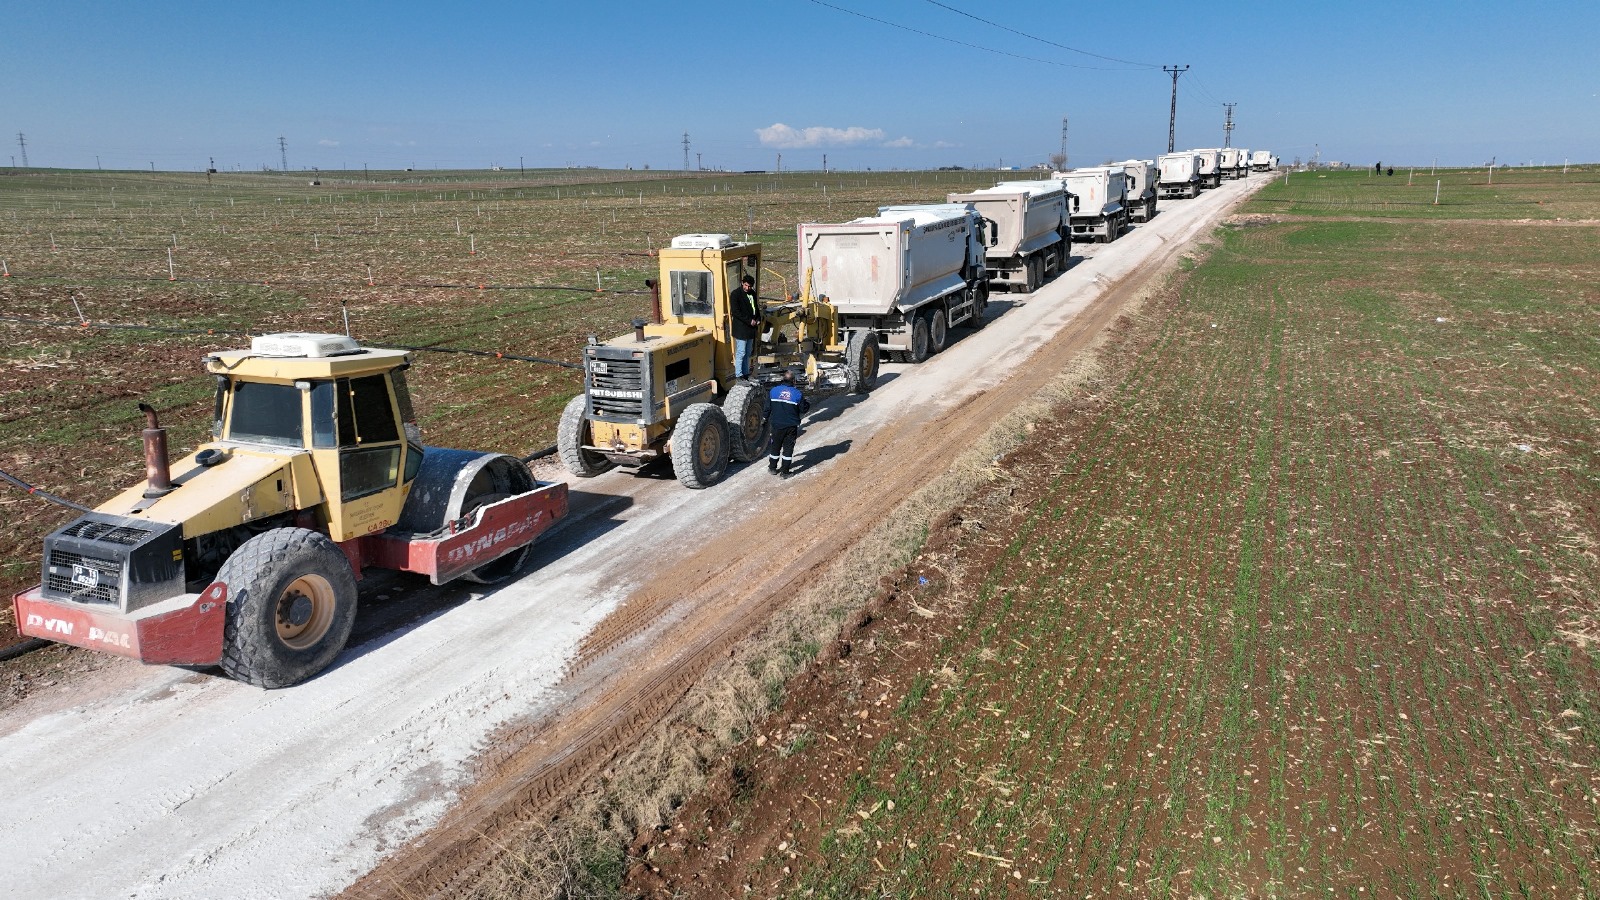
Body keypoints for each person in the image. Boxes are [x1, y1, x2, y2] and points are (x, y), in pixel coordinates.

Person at [766, 368, 810, 478]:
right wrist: (807, 403)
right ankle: (785, 472)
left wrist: (764, 420)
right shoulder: (797, 394)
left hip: (776, 426)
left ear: (783, 379)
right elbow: (803, 409)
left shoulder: (773, 391)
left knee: (775, 447)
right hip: (791, 427)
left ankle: (772, 468)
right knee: (788, 449)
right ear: (794, 381)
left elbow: (767, 409)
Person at [729, 274, 759, 379]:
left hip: (750, 329)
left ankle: (746, 373)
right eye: (746, 285)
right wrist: (749, 321)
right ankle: (738, 374)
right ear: (742, 283)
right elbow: (736, 312)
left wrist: (757, 319)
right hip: (741, 328)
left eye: (749, 286)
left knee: (747, 353)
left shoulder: (752, 294)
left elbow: (755, 308)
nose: (747, 288)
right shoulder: (735, 294)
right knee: (740, 352)